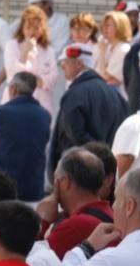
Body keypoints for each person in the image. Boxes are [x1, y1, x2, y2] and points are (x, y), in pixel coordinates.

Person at [49, 44, 127, 172]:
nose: (63, 68)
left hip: (78, 172)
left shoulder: (74, 94)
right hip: (106, 173)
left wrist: (96, 155)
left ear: (79, 64)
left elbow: (74, 133)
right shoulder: (115, 95)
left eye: (65, 63)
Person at [0, 71, 51, 202]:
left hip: (3, 188)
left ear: (13, 89)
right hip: (33, 188)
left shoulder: (2, 113)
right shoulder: (45, 115)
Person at [37, 148, 114, 259]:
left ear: (65, 182)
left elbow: (32, 262)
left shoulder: (74, 226)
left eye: (56, 179)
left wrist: (42, 222)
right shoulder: (109, 213)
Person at [2, 5, 58, 114]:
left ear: (42, 29)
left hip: (41, 104)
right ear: (22, 28)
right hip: (16, 103)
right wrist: (25, 53)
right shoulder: (12, 45)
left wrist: (35, 81)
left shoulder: (49, 50)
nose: (32, 32)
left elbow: (53, 77)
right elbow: (13, 74)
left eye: (36, 28)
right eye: (28, 27)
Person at [94, 10, 132, 94]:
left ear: (119, 27)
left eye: (108, 25)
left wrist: (102, 53)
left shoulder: (123, 49)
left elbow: (104, 77)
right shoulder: (106, 45)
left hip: (120, 98)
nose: (103, 28)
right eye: (103, 25)